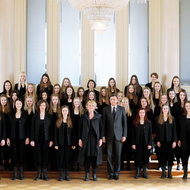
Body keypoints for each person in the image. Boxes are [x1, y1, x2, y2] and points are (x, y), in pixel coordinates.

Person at [102, 95, 127, 180]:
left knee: (118, 155)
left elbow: (124, 124)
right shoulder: (105, 109)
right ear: (109, 100)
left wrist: (124, 135)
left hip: (119, 135)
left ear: (117, 100)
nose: (113, 100)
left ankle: (117, 172)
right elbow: (103, 124)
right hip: (108, 135)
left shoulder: (122, 109)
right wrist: (103, 136)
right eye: (111, 99)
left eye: (114, 99)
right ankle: (110, 173)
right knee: (109, 155)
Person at [78, 100, 103, 181]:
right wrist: (80, 139)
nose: (91, 107)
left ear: (95, 107)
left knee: (95, 157)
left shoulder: (99, 116)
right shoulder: (83, 116)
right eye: (89, 105)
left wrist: (101, 139)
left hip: (95, 139)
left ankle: (94, 174)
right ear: (87, 106)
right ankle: (87, 174)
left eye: (92, 105)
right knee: (87, 157)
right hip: (86, 139)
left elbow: (101, 128)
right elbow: (80, 129)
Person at [30, 99, 53, 181]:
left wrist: (51, 140)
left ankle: (45, 174)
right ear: (38, 106)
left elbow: (51, 129)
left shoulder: (49, 116)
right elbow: (32, 128)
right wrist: (32, 139)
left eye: (44, 105)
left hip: (46, 140)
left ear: (46, 106)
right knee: (38, 156)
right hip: (37, 139)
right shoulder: (35, 116)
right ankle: (39, 174)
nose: (42, 107)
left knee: (45, 156)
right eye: (41, 105)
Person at [7, 98, 29, 180]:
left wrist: (27, 137)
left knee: (21, 154)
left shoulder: (25, 114)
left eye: (20, 104)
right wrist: (8, 138)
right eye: (17, 104)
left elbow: (27, 127)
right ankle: (15, 173)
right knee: (14, 154)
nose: (18, 105)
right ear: (15, 105)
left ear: (22, 105)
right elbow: (8, 127)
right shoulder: (11, 114)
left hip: (22, 138)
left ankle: (21, 173)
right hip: (13, 138)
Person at [54, 105, 76, 181]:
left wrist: (73, 143)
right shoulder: (58, 121)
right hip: (60, 144)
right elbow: (55, 134)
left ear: (68, 112)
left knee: (67, 158)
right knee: (61, 159)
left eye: (66, 111)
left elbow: (73, 134)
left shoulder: (71, 121)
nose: (65, 112)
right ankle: (61, 174)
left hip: (68, 144)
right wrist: (56, 144)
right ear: (61, 112)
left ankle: (67, 174)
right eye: (63, 111)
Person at [156, 104, 177, 179]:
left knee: (170, 157)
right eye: (164, 108)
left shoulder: (172, 119)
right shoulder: (158, 119)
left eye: (166, 108)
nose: (165, 110)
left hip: (170, 141)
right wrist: (158, 140)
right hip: (162, 141)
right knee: (163, 157)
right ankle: (163, 172)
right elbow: (157, 131)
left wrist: (174, 141)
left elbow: (174, 131)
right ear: (162, 110)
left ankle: (170, 173)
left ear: (168, 110)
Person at [132, 108, 152, 179]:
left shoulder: (148, 122)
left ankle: (144, 172)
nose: (142, 114)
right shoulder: (135, 122)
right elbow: (133, 134)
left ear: (145, 114)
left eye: (143, 113)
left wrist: (150, 144)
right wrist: (133, 143)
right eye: (140, 113)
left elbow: (150, 134)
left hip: (146, 143)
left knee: (145, 157)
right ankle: (137, 172)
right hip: (137, 143)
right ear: (138, 113)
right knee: (138, 157)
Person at [70, 97, 84, 171]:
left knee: (79, 150)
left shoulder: (83, 112)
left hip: (80, 132)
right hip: (72, 132)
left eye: (78, 102)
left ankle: (79, 165)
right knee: (72, 149)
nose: (76, 103)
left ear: (80, 103)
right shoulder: (70, 111)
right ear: (73, 103)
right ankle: (72, 165)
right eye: (75, 102)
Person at [121, 97, 134, 171]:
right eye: (123, 102)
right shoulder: (119, 110)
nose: (125, 103)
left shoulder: (131, 111)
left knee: (129, 150)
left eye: (126, 102)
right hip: (121, 133)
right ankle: (122, 165)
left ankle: (128, 164)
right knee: (122, 150)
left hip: (129, 133)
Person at [178, 101, 190, 179]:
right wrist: (179, 139)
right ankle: (185, 172)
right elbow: (179, 129)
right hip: (184, 139)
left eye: (189, 106)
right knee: (184, 157)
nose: (188, 107)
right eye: (187, 106)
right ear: (185, 107)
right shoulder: (181, 116)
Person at [24, 96, 36, 171]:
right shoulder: (23, 112)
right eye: (28, 101)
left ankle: (32, 166)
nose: (29, 102)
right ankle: (27, 166)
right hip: (25, 133)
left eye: (30, 101)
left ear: (33, 102)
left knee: (33, 151)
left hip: (33, 133)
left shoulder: (35, 112)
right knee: (26, 150)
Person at [0, 95, 11, 171]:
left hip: (7, 132)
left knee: (7, 150)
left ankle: (6, 165)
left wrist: (6, 137)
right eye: (2, 100)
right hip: (0, 133)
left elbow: (9, 125)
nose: (3, 101)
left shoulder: (9, 111)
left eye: (5, 100)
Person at [0, 108, 6, 176]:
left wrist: (3, 139)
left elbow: (4, 128)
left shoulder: (2, 115)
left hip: (0, 137)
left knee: (1, 155)